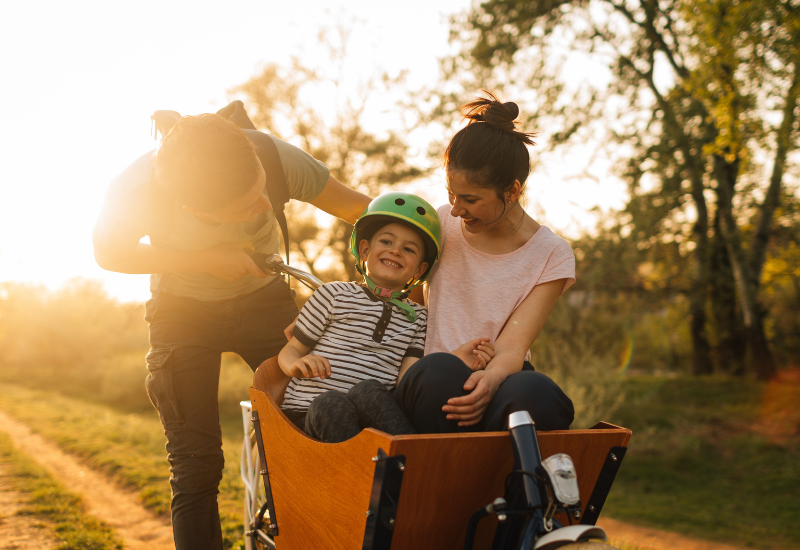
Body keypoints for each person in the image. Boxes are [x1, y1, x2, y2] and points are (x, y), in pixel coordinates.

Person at [92, 113, 370, 550]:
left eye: (261, 188)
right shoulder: (136, 192)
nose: (264, 203)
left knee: (308, 436)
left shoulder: (273, 157)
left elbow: (360, 210)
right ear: (193, 209)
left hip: (265, 303)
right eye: (244, 206)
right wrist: (205, 258)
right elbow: (108, 253)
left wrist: (408, 255)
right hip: (180, 312)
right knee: (195, 463)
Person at [395, 92, 576, 433]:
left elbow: (513, 345)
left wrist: (490, 379)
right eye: (451, 194)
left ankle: (517, 483)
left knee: (538, 393)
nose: (456, 209)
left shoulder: (551, 254)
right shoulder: (440, 224)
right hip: (430, 381)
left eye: (471, 199)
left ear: (512, 191)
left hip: (501, 377)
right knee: (439, 372)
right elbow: (408, 306)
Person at [278, 192, 446, 443]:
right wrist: (295, 365)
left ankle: (412, 460)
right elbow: (290, 350)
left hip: (367, 422)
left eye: (409, 249)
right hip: (310, 414)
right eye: (387, 242)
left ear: (420, 269)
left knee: (369, 390)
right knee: (332, 402)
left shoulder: (418, 317)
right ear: (365, 250)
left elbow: (406, 380)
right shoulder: (333, 294)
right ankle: (356, 474)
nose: (396, 251)